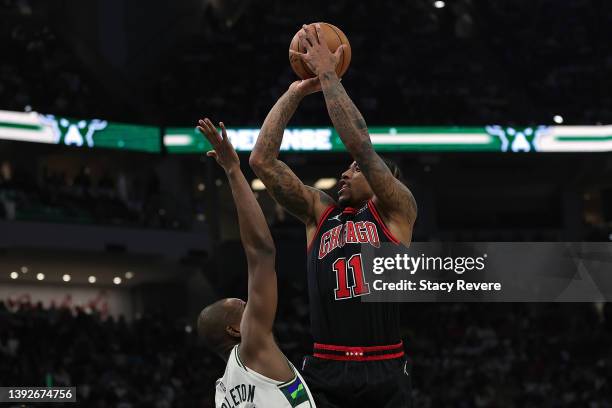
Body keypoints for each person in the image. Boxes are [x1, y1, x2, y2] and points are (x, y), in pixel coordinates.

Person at [249, 24, 417, 408]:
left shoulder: (396, 210)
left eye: (355, 170)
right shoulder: (320, 213)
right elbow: (261, 160)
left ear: (382, 179)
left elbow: (359, 143)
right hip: (325, 367)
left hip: (384, 366)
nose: (345, 172)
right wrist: (294, 94)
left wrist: (327, 73)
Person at [196, 118, 316, 408]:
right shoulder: (252, 348)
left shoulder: (222, 392)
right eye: (243, 305)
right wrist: (233, 170)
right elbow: (261, 253)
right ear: (235, 330)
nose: (250, 304)